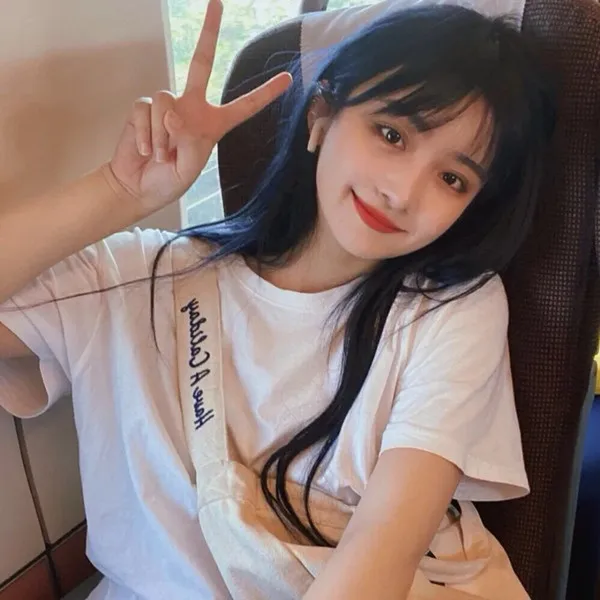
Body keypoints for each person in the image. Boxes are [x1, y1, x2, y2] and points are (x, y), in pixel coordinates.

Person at [0, 0, 556, 598]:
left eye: (453, 179)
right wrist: (119, 191)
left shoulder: (451, 312)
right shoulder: (142, 276)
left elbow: (378, 562)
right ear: (320, 116)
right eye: (392, 134)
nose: (402, 192)